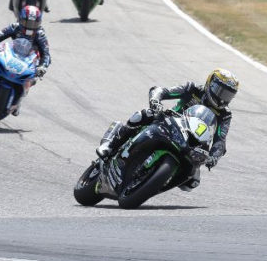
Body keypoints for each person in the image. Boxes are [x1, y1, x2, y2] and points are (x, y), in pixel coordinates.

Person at [95, 69, 240, 190]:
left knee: (191, 183)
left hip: (193, 142)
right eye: (220, 91)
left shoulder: (225, 115)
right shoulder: (193, 89)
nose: (222, 98)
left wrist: (214, 156)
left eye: (228, 95)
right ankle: (110, 144)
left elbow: (220, 141)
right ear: (210, 84)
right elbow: (161, 91)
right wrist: (156, 101)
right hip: (169, 122)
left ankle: (150, 183)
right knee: (143, 115)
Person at [0, 5, 50, 115]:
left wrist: (42, 67)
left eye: (33, 24)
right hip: (12, 53)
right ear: (21, 20)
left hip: (28, 60)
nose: (30, 27)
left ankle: (18, 100)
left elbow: (46, 54)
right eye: (27, 23)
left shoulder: (40, 35)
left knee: (33, 78)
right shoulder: (15, 27)